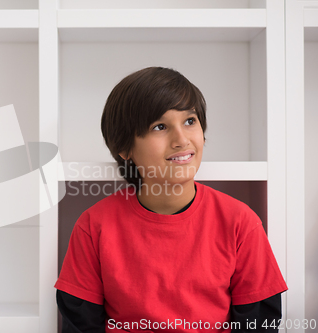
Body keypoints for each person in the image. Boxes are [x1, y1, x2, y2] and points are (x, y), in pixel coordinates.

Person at [54, 67, 288, 332]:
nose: (181, 140)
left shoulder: (240, 222)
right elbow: (80, 323)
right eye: (160, 126)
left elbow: (260, 323)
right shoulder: (93, 226)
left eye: (190, 121)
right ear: (124, 148)